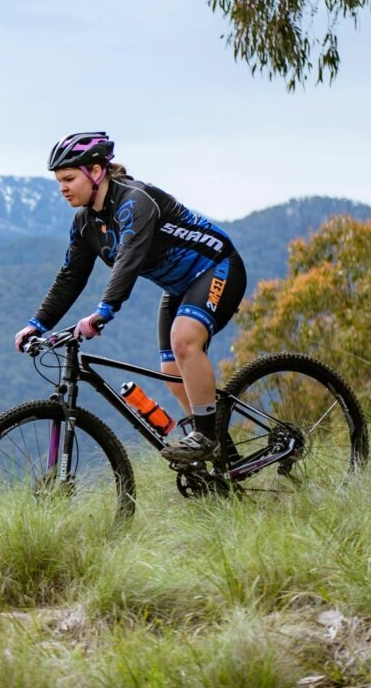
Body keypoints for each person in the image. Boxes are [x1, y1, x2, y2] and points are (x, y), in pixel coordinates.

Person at [14, 131, 247, 462]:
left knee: (184, 342)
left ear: (96, 172)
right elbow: (71, 277)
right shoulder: (85, 223)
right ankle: (226, 456)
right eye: (59, 181)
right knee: (171, 372)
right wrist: (37, 324)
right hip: (178, 288)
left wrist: (103, 311)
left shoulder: (135, 201)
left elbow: (129, 259)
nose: (62, 188)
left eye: (68, 179)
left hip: (217, 266)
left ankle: (207, 438)